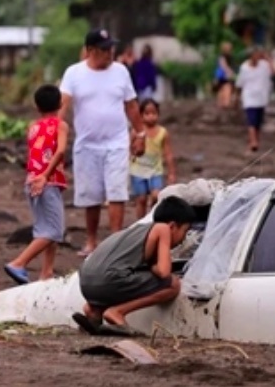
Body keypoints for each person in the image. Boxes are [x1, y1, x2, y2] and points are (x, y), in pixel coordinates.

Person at [60, 29, 147, 256]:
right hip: (87, 144)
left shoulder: (121, 71)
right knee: (91, 195)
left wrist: (140, 134)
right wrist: (53, 131)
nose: (110, 52)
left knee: (117, 192)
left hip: (117, 142)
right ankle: (91, 241)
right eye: (104, 49)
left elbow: (131, 105)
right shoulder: (74, 73)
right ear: (90, 50)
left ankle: (114, 242)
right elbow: (63, 104)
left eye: (111, 48)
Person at [72, 196, 196, 331]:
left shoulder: (136, 231)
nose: (184, 239)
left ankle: (94, 311)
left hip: (86, 283)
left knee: (126, 276)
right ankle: (117, 312)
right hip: (108, 280)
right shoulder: (163, 229)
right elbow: (164, 271)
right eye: (185, 231)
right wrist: (154, 267)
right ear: (172, 226)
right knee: (173, 285)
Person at [4, 85, 69, 284]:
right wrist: (46, 175)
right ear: (60, 104)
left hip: (32, 180)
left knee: (45, 227)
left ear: (36, 106)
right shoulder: (61, 125)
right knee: (54, 230)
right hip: (47, 181)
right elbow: (60, 151)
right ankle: (19, 263)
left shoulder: (33, 126)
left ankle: (47, 272)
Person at [130, 99, 176, 220]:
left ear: (158, 114)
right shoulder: (136, 132)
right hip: (138, 170)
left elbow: (168, 153)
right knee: (141, 199)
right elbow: (129, 150)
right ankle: (140, 223)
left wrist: (171, 173)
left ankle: (152, 218)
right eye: (147, 113)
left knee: (156, 196)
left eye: (154, 113)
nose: (151, 117)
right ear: (141, 115)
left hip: (155, 171)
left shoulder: (163, 133)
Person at [235, 47, 274, 153]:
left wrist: (268, 59)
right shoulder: (244, 67)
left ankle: (255, 140)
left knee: (258, 122)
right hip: (249, 97)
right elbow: (240, 83)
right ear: (250, 56)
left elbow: (273, 72)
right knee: (251, 120)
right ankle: (253, 141)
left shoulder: (264, 65)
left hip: (261, 97)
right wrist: (237, 97)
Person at [214, 42, 236, 109]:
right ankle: (225, 103)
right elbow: (224, 66)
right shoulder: (222, 57)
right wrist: (231, 73)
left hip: (222, 76)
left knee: (223, 89)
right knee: (226, 88)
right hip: (225, 76)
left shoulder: (228, 57)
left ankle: (222, 104)